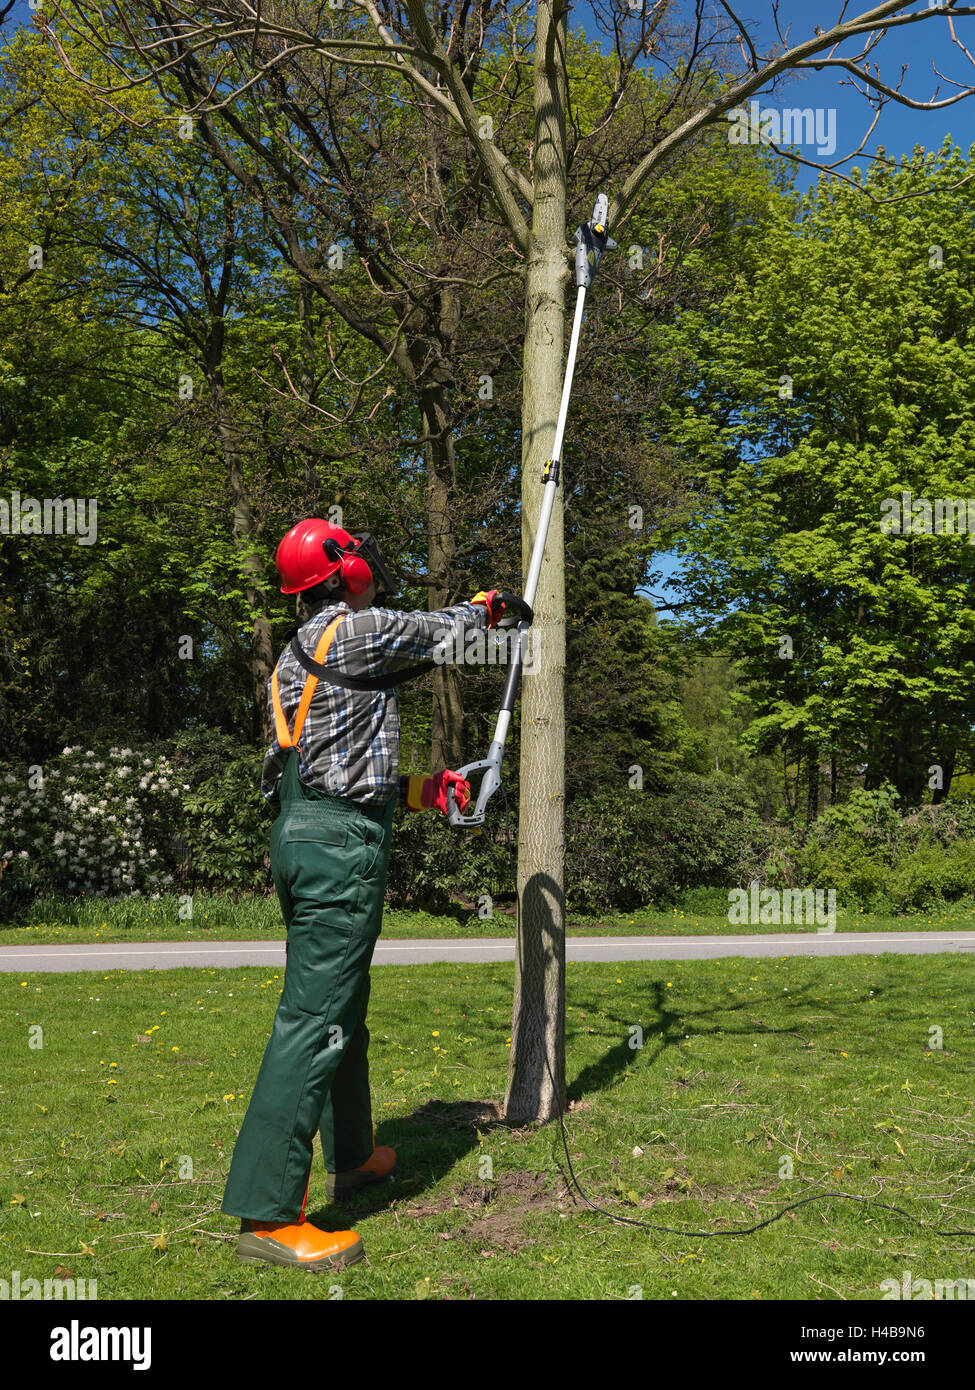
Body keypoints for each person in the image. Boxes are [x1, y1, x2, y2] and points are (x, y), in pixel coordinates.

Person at [221, 518, 505, 1270]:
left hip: (309, 833)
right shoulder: (355, 629)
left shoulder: (299, 655)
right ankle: (267, 1215)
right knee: (313, 1018)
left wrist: (422, 791)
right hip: (338, 847)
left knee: (340, 1007)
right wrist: (489, 607)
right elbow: (442, 631)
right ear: (342, 573)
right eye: (361, 562)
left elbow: (338, 768)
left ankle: (352, 1160)